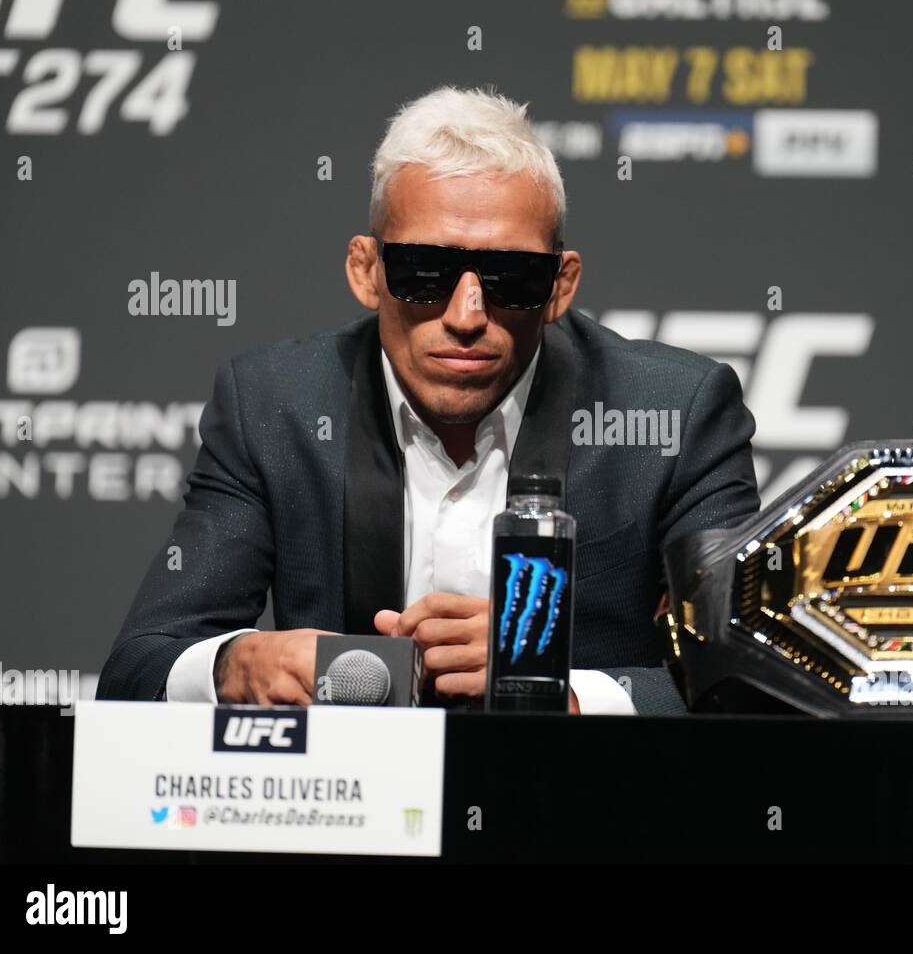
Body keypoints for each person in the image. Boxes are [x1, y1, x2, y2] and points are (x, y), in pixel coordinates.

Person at [97, 85, 760, 715]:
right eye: (425, 273)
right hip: (349, 818)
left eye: (510, 278)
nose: (467, 313)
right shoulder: (275, 406)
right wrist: (241, 664)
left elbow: (752, 680)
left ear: (560, 286)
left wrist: (557, 689)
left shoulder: (675, 412)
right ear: (367, 271)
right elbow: (139, 667)